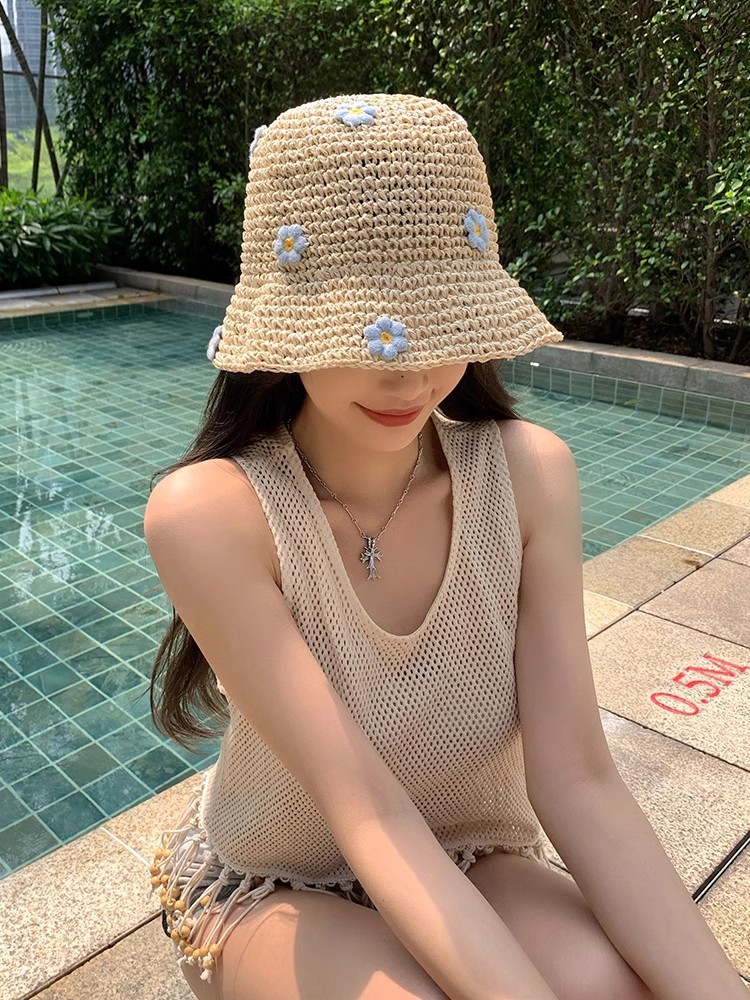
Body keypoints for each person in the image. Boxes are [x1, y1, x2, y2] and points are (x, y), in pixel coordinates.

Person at [144, 94, 746, 1000]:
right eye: (364, 325)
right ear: (286, 324)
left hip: (468, 854)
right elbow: (365, 809)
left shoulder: (529, 476)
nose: (410, 369)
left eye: (441, 319)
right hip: (276, 882)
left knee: (611, 987)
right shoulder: (213, 514)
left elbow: (578, 779)